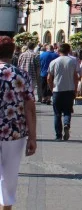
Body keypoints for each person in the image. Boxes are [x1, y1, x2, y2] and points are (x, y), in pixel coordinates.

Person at [0, 36, 37, 209]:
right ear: (13, 52)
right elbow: (30, 108)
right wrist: (33, 137)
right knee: (9, 175)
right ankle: (6, 207)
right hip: (14, 131)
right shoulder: (21, 75)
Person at [48, 43, 79, 141]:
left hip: (57, 89)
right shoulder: (73, 61)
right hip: (69, 89)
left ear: (58, 50)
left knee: (57, 113)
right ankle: (66, 124)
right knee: (67, 111)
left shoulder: (54, 62)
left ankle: (58, 135)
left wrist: (51, 88)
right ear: (68, 50)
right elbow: (76, 77)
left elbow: (49, 77)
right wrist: (75, 89)